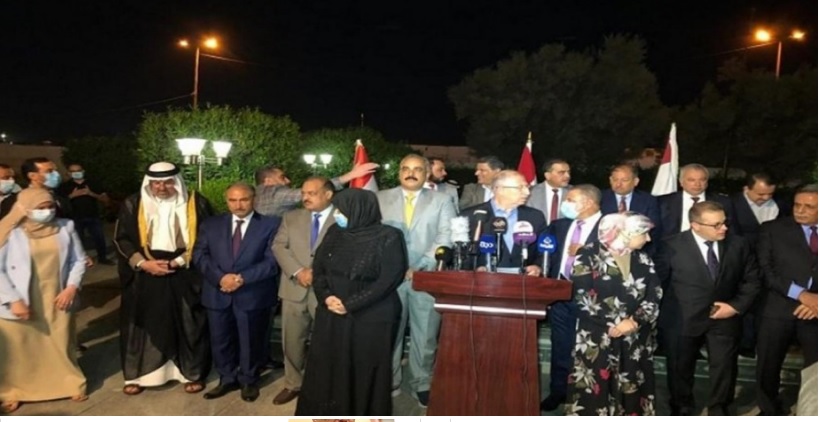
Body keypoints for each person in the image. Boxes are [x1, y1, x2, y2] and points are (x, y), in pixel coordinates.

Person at [294, 189, 408, 416]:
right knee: (328, 366)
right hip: (331, 312)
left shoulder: (389, 236)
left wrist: (351, 304)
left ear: (359, 210)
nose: (337, 214)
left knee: (363, 369)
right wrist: (326, 296)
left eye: (341, 210)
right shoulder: (335, 232)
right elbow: (319, 269)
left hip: (371, 316)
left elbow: (389, 279)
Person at [113, 162, 213, 396]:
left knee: (188, 322)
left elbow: (207, 237)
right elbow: (122, 238)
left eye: (167, 182)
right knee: (143, 322)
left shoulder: (196, 203)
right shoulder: (134, 203)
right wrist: (143, 263)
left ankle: (190, 373)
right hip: (145, 271)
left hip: (185, 270)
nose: (161, 187)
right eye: (156, 183)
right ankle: (138, 376)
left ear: (176, 181)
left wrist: (178, 261)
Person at [654, 201, 760, 416]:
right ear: (695, 225)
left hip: (725, 317)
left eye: (724, 222)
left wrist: (735, 306)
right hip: (682, 319)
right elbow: (657, 283)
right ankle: (682, 408)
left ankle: (719, 408)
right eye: (716, 225)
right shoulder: (670, 246)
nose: (724, 228)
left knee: (724, 367)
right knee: (680, 368)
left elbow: (752, 280)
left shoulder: (738, 244)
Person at [0, 188, 88, 413]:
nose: (47, 211)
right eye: (41, 208)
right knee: (19, 348)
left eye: (50, 206)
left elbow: (78, 260)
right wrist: (13, 299)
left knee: (60, 342)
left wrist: (71, 287)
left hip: (56, 295)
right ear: (25, 208)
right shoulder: (10, 232)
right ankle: (14, 391)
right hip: (19, 298)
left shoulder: (65, 227)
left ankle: (69, 383)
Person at [377, 154, 456, 407]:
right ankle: (389, 380)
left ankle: (421, 383)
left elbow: (446, 236)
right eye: (405, 168)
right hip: (388, 279)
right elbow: (373, 235)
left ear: (427, 173)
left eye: (417, 169)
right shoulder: (380, 198)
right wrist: (394, 267)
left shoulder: (442, 200)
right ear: (399, 171)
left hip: (426, 277)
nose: (410, 173)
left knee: (426, 334)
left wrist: (419, 265)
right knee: (390, 332)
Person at [565, 212, 662, 416]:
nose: (648, 239)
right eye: (644, 233)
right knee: (595, 388)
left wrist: (634, 321)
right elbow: (581, 295)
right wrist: (614, 323)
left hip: (634, 336)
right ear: (625, 232)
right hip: (597, 335)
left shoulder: (643, 258)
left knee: (633, 386)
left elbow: (654, 294)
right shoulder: (589, 254)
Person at [193, 182, 280, 402]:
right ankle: (227, 378)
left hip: (253, 293)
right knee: (220, 339)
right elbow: (200, 255)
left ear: (254, 199)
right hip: (217, 292)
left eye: (244, 199)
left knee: (251, 339)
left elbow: (272, 261)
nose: (238, 205)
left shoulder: (271, 224)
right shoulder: (211, 224)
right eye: (233, 200)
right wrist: (220, 278)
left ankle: (249, 380)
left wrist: (241, 279)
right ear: (227, 201)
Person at [271, 176, 337, 405]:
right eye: (303, 193)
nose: (305, 197)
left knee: (327, 341)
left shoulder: (343, 218)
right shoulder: (291, 217)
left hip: (327, 291)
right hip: (294, 288)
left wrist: (317, 274)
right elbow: (279, 246)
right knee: (291, 340)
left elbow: (347, 253)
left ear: (328, 194)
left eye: (312, 193)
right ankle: (293, 383)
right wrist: (298, 271)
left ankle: (325, 384)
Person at [755, 184, 818, 415]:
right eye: (797, 205)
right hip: (777, 310)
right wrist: (802, 295)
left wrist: (816, 302)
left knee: (815, 369)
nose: (800, 210)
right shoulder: (773, 229)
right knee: (768, 366)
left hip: (815, 313)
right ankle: (770, 411)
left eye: (809, 207)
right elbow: (765, 270)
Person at [541, 184, 603, 411]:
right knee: (561, 345)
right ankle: (559, 391)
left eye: (570, 199)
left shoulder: (610, 226)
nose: (565, 204)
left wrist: (588, 250)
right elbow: (546, 254)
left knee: (591, 347)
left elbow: (620, 258)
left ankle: (586, 394)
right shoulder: (559, 225)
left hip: (594, 298)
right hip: (561, 294)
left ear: (588, 202)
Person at [462, 169, 546, 273]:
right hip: (482, 280)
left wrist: (538, 267)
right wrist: (475, 268)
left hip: (524, 279)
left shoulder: (535, 216)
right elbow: (462, 254)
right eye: (520, 188)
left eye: (527, 187)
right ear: (499, 189)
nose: (527, 192)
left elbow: (544, 250)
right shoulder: (472, 215)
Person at [254, 163, 378, 217]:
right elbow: (312, 192)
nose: (287, 181)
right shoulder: (274, 193)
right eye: (282, 177)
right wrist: (351, 175)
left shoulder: (255, 194)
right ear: (268, 181)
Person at [58, 163, 114, 265]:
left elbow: (106, 200)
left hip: (93, 215)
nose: (76, 173)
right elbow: (60, 204)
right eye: (73, 171)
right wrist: (71, 196)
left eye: (78, 170)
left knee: (99, 238)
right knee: (78, 241)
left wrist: (91, 194)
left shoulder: (93, 183)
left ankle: (102, 258)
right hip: (75, 217)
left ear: (83, 171)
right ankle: (81, 260)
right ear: (68, 173)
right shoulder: (64, 187)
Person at [657, 163, 734, 237]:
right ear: (681, 182)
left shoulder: (722, 202)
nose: (697, 184)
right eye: (691, 180)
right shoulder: (663, 202)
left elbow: (732, 231)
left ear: (707, 182)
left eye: (702, 180)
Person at [526, 158, 572, 226]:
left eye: (568, 172)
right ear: (547, 175)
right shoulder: (530, 192)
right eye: (561, 172)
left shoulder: (575, 192)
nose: (567, 176)